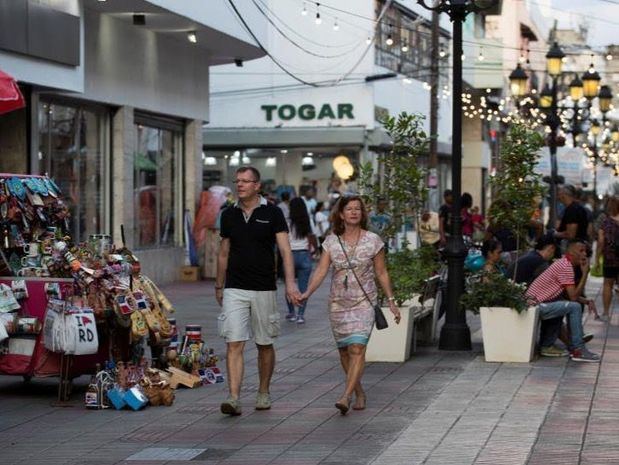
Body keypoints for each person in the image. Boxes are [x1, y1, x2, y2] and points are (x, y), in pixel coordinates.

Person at [299, 196, 401, 414]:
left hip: (364, 301)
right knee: (345, 351)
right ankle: (359, 392)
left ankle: (345, 396)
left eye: (357, 209)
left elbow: (381, 272)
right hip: (338, 303)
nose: (354, 212)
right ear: (341, 214)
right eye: (349, 209)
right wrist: (307, 293)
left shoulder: (374, 240)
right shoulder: (331, 241)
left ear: (362, 214)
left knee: (357, 348)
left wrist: (391, 301)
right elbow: (321, 270)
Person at [215, 166, 300, 416]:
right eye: (237, 181)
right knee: (234, 341)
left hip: (264, 287)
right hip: (235, 287)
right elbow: (223, 253)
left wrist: (291, 283)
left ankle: (263, 391)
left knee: (264, 343)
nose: (239, 185)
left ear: (257, 186)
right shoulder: (228, 215)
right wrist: (219, 284)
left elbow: (285, 250)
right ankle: (233, 397)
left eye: (245, 181)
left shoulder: (272, 213)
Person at [525, 240, 600, 362]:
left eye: (585, 251)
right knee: (574, 306)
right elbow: (573, 297)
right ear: (571, 252)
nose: (585, 254)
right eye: (581, 251)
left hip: (537, 303)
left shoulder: (564, 263)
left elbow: (567, 294)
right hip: (535, 305)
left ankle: (560, 346)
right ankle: (578, 349)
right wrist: (585, 273)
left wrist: (586, 301)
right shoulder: (566, 266)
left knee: (565, 304)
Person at [285, 197, 317, 324]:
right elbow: (312, 236)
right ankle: (300, 315)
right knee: (303, 288)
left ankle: (291, 312)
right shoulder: (307, 221)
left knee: (290, 285)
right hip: (304, 255)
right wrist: (315, 250)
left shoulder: (287, 222)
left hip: (290, 256)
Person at [595, 196, 619, 321]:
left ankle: (605, 313)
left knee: (608, 284)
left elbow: (600, 242)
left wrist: (597, 258)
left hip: (610, 258)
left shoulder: (606, 222)